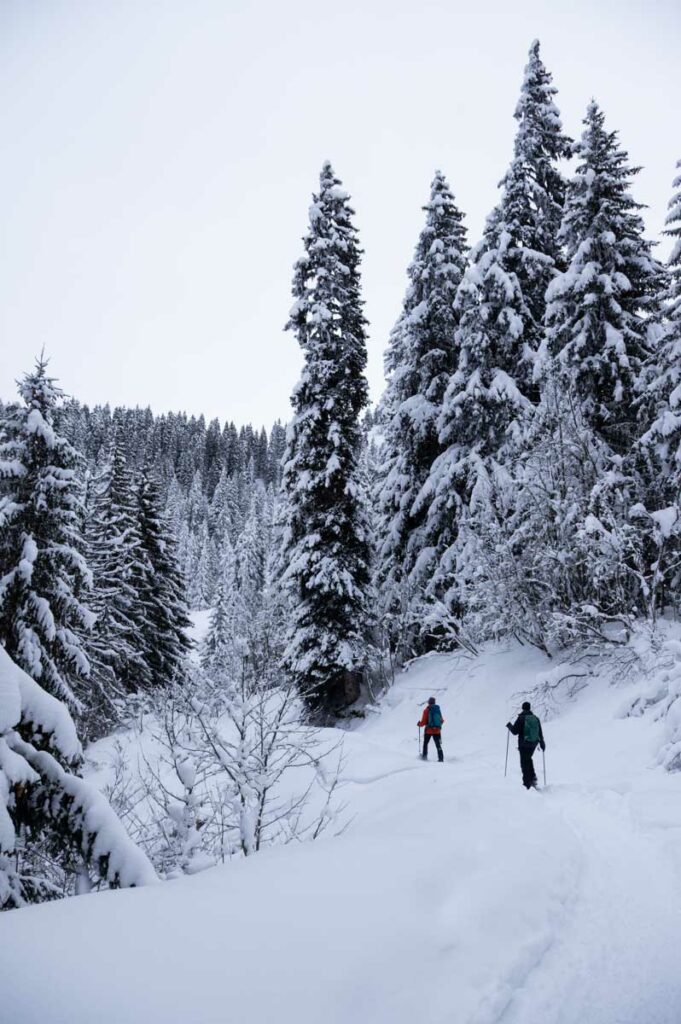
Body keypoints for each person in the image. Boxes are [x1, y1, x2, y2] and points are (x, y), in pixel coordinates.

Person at [506, 701, 545, 789]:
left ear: (523, 708)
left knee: (524, 763)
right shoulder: (535, 718)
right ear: (529, 708)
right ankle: (533, 777)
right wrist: (542, 742)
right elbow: (540, 732)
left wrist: (509, 726)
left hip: (524, 744)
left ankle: (527, 784)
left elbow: (515, 732)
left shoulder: (521, 718)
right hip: (534, 743)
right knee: (528, 759)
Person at [418, 697, 444, 762]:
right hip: (437, 731)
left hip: (428, 730)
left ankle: (424, 757)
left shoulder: (426, 710)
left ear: (429, 702)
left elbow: (423, 722)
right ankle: (441, 758)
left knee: (425, 743)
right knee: (438, 744)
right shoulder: (437, 709)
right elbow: (442, 720)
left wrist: (419, 724)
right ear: (434, 702)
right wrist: (436, 726)